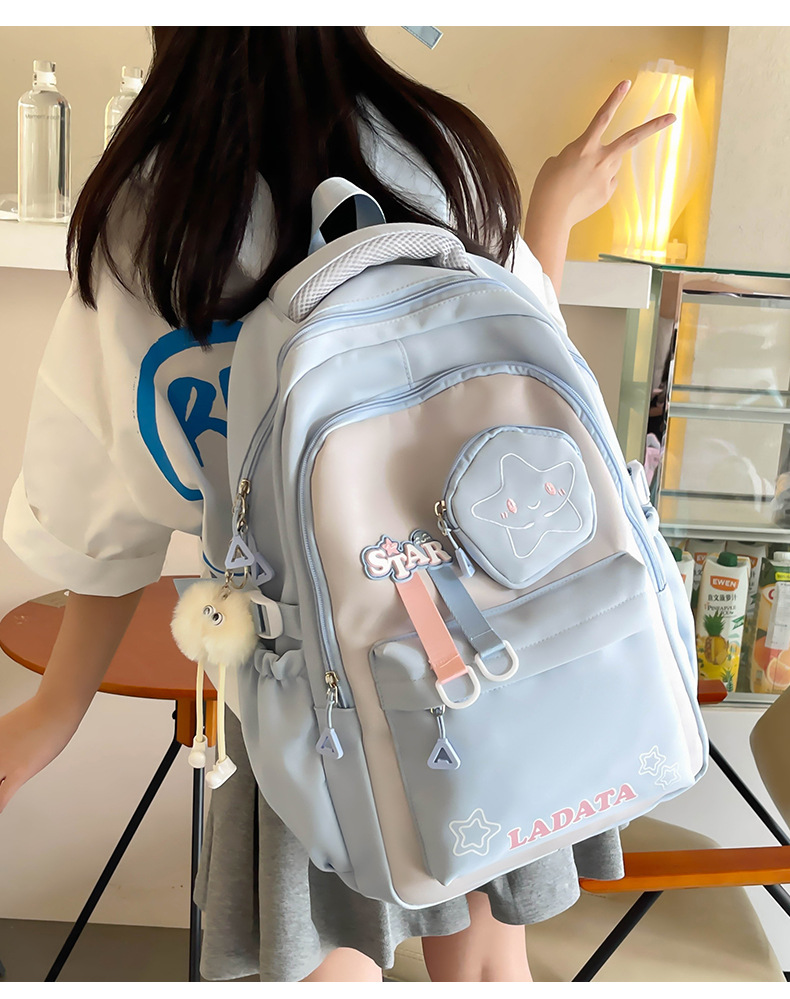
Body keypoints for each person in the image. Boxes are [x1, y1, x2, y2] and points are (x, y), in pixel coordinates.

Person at [0, 27, 675, 984]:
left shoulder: (153, 214)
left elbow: (106, 503)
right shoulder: (442, 151)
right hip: (495, 641)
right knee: (487, 964)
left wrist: (56, 706)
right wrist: (553, 210)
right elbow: (512, 391)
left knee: (330, 959)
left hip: (311, 678)